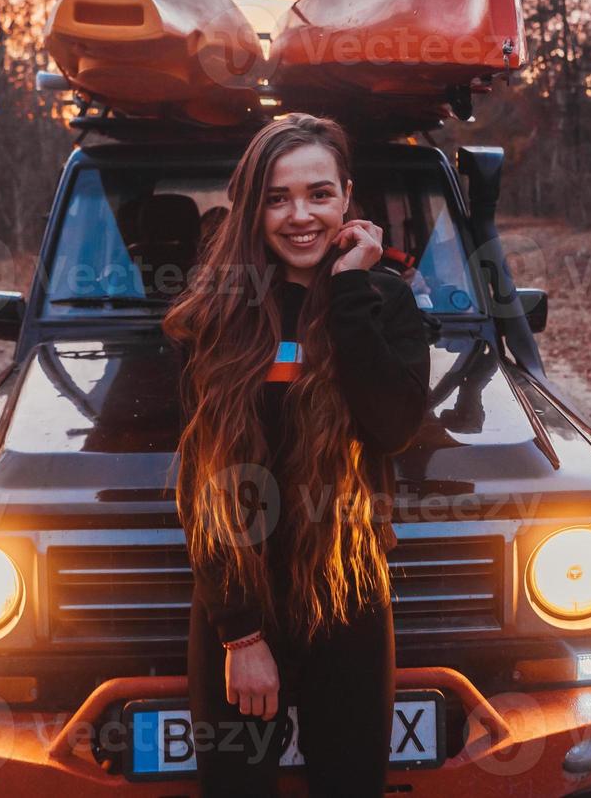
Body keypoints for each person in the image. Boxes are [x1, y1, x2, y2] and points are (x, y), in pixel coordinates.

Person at [162, 113, 431, 797]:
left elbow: (392, 425)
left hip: (350, 597)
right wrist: (242, 637)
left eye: (318, 193)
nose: (299, 215)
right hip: (245, 603)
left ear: (346, 197)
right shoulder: (218, 312)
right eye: (278, 198)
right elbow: (207, 485)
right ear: (253, 208)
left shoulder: (385, 301)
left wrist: (349, 289)